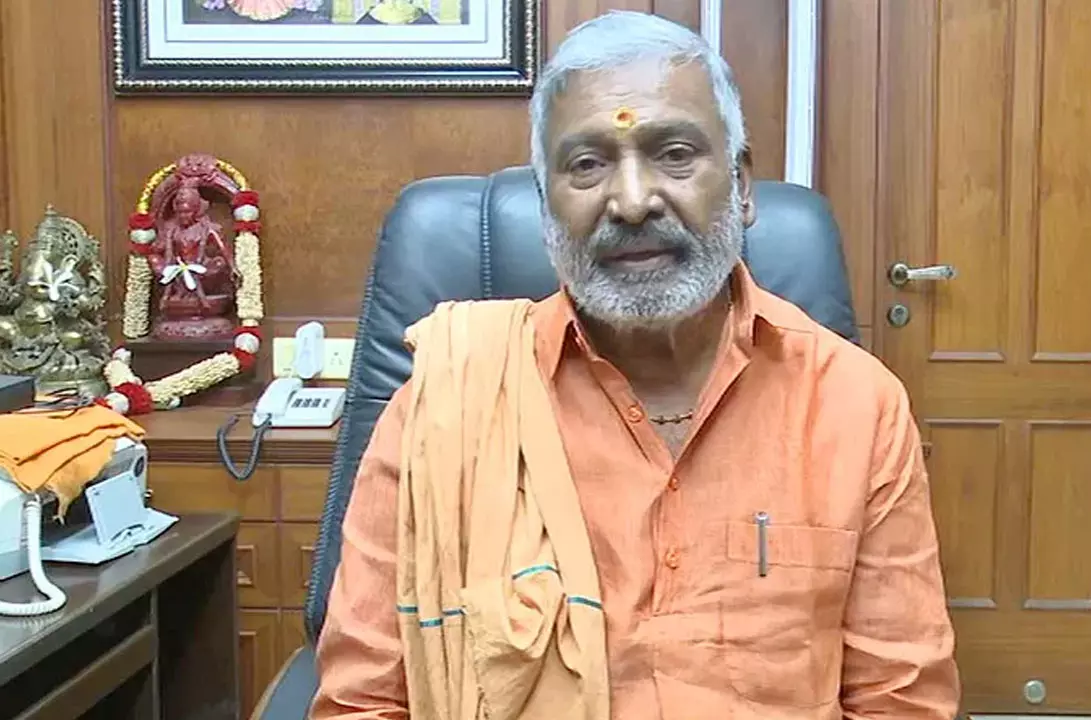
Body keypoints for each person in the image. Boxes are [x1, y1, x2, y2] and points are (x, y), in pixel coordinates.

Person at [310, 10, 960, 719]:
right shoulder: (445, 408)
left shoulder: (856, 406)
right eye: (587, 165)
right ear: (547, 210)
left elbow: (901, 700)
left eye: (674, 153)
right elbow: (363, 701)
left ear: (742, 186)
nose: (630, 201)